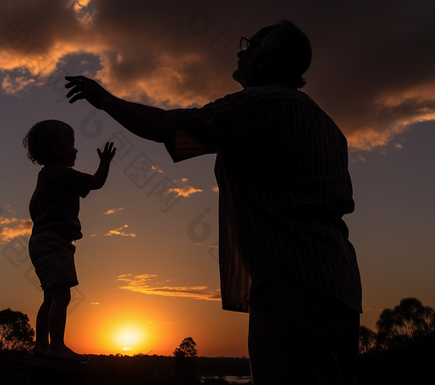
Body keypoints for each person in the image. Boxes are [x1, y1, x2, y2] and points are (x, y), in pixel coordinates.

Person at [64, 20, 362, 384]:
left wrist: (105, 100)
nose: (240, 52)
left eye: (248, 46)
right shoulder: (329, 127)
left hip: (292, 281)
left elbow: (169, 127)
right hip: (342, 286)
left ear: (265, 59)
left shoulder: (260, 103)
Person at [23, 119, 116, 361]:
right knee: (62, 297)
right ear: (56, 149)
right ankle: (56, 346)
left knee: (50, 297)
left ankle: (41, 346)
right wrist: (105, 162)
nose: (75, 149)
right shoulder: (61, 174)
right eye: (71, 144)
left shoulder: (44, 177)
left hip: (39, 241)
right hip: (55, 242)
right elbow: (96, 183)